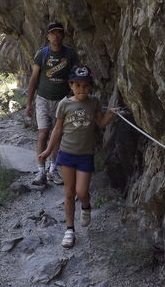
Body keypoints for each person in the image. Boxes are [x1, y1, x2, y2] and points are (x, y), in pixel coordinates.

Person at [39, 65, 119, 248]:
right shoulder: (64, 104)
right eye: (78, 85)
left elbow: (100, 123)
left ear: (90, 86)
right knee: (68, 193)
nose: (82, 89)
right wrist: (48, 150)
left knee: (82, 192)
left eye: (85, 86)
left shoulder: (94, 102)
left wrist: (110, 115)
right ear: (71, 85)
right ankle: (69, 230)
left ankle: (86, 206)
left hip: (85, 155)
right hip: (66, 153)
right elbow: (57, 130)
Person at [26, 22, 78, 186]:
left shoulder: (70, 54)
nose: (56, 36)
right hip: (42, 98)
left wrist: (74, 98)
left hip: (62, 101)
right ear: (48, 36)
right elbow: (34, 78)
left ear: (62, 35)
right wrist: (29, 103)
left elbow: (75, 77)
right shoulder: (42, 54)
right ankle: (40, 170)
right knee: (43, 133)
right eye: (52, 33)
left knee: (57, 136)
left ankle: (52, 170)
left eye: (58, 33)